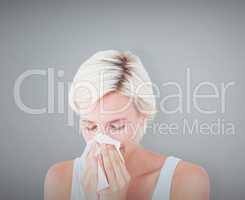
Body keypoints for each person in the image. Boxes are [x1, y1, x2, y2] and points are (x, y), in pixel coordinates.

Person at [44, 50, 209, 200]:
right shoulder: (60, 179)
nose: (101, 141)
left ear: (143, 116)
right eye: (90, 127)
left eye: (116, 126)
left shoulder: (186, 180)